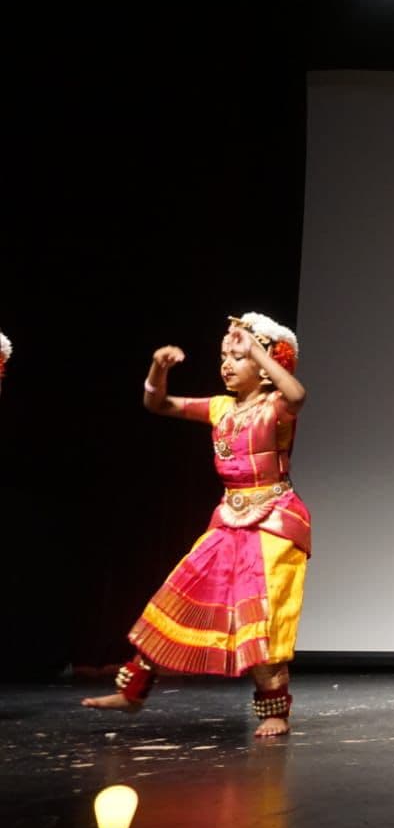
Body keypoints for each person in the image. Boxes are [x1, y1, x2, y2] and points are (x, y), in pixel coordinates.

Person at [83, 314, 309, 737]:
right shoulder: (220, 408)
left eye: (237, 357)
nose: (227, 364)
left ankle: (273, 712)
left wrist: (257, 350)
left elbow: (297, 394)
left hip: (273, 521)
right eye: (224, 356)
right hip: (228, 518)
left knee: (261, 617)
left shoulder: (275, 406)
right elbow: (157, 404)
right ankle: (132, 692)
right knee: (179, 593)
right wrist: (159, 368)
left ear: (263, 366)